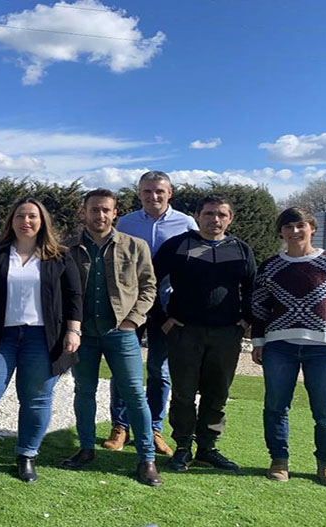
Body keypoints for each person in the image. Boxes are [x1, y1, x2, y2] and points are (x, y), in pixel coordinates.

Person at [0, 198, 83, 484]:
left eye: (32, 216)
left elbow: (74, 297)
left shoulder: (60, 256)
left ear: (42, 221)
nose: (26, 221)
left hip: (43, 338)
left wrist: (74, 331)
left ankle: (27, 456)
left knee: (36, 401)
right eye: (20, 216)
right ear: (11, 221)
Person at [61, 188, 162, 486]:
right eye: (94, 209)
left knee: (134, 394)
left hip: (122, 333)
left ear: (115, 212)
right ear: (84, 212)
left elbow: (149, 288)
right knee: (84, 391)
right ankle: (86, 448)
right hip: (83, 335)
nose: (100, 215)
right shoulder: (68, 248)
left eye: (106, 209)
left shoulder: (135, 246)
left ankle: (146, 458)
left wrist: (133, 320)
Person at [251, 207, 326, 487]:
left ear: (312, 227)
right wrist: (258, 341)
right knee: (275, 406)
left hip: (325, 348)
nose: (294, 232)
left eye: (300, 225)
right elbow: (259, 307)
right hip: (278, 346)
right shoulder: (270, 266)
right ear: (281, 232)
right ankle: (279, 460)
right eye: (288, 227)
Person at [152, 195, 256, 472]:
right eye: (209, 214)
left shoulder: (241, 249)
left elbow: (252, 289)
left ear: (230, 218)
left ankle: (207, 448)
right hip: (185, 332)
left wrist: (246, 320)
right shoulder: (179, 246)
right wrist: (163, 318)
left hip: (226, 334)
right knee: (184, 394)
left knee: (217, 393)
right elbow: (149, 281)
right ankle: (183, 447)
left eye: (222, 214)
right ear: (197, 216)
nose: (215, 220)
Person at [106, 170, 197, 455]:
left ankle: (153, 429)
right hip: (130, 306)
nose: (153, 196)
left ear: (170, 193)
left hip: (167, 307)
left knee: (159, 370)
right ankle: (119, 427)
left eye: (159, 191)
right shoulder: (126, 222)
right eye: (147, 191)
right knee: (123, 368)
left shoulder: (186, 223)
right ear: (139, 194)